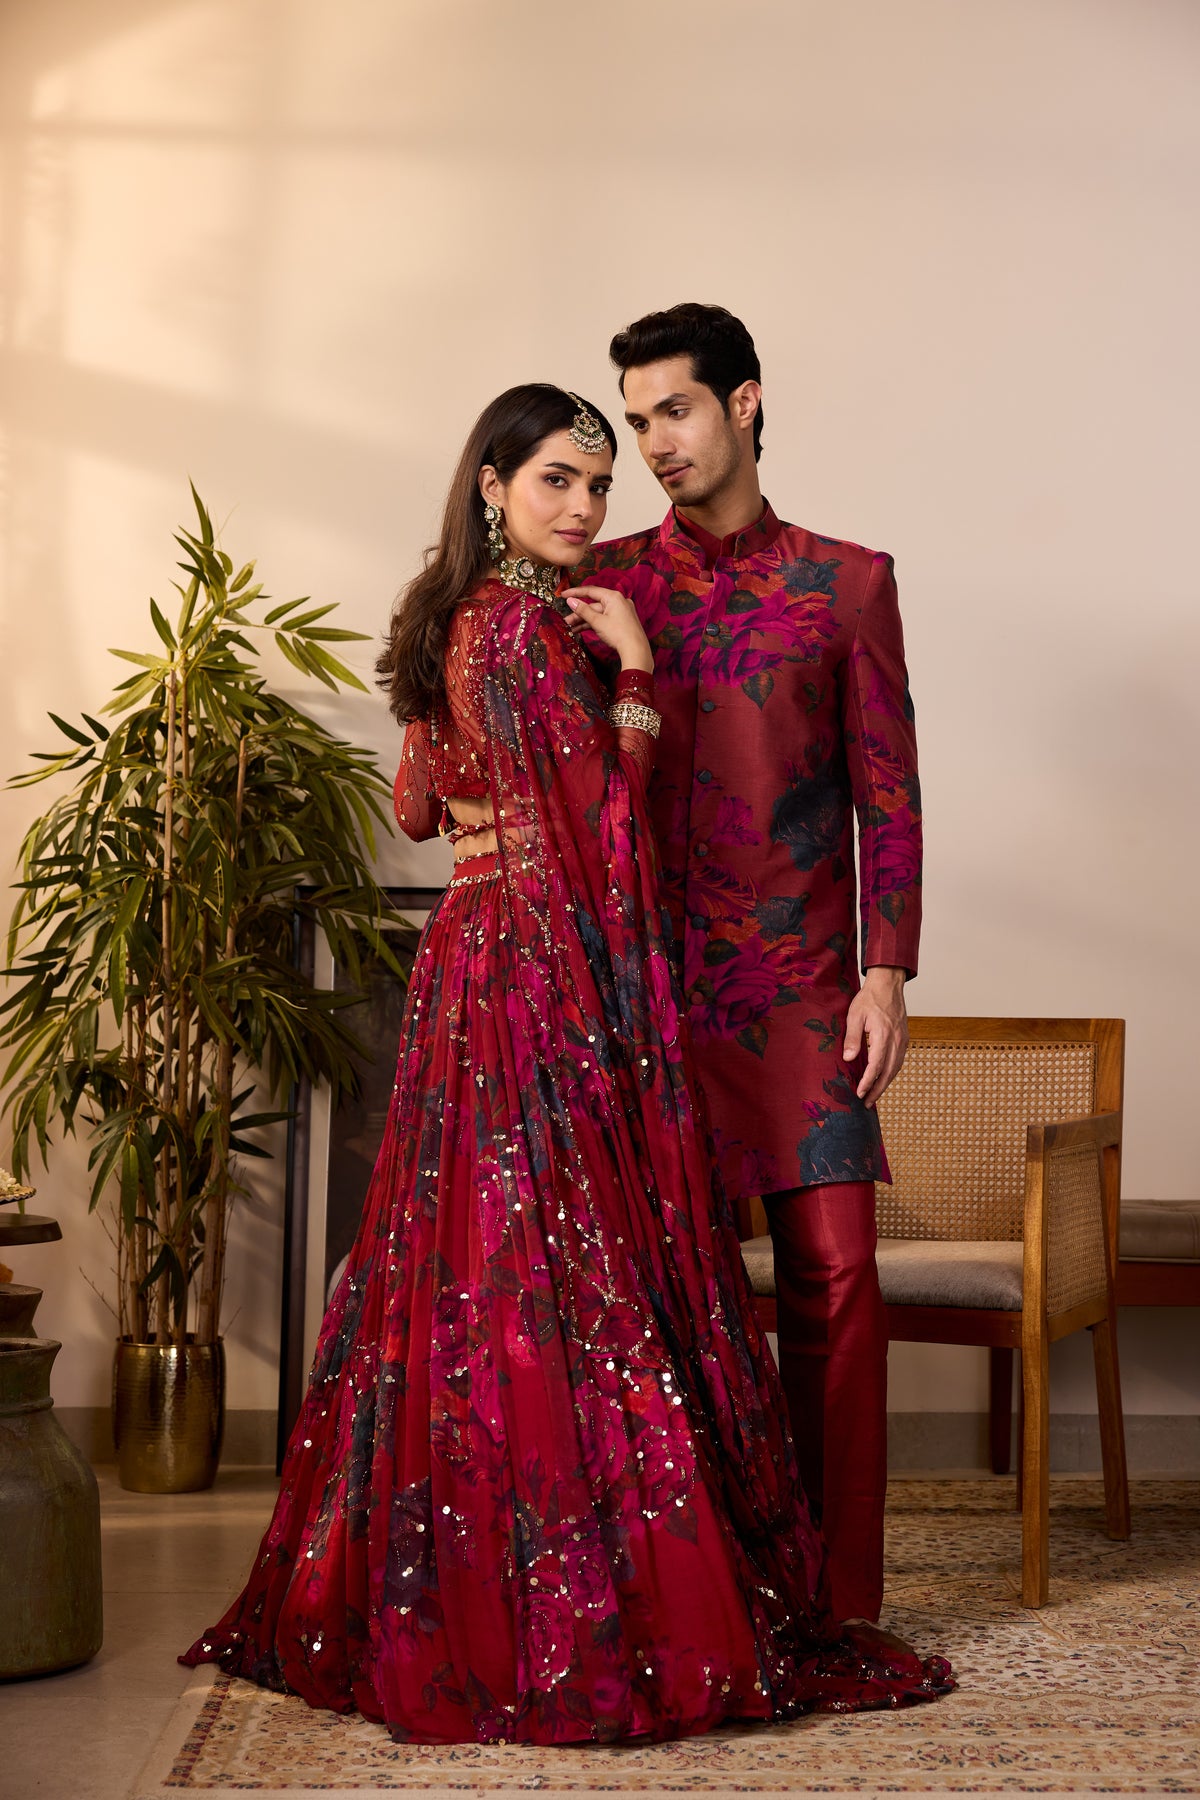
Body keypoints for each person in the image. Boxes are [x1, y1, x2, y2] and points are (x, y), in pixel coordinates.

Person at [181, 383, 951, 1742]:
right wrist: (638, 677)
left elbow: (422, 806)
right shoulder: (547, 628)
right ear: (491, 485)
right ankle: (570, 1602)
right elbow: (603, 828)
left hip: (475, 961)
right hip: (544, 970)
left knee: (479, 1270)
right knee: (573, 1281)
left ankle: (470, 1584)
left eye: (600, 483)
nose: (590, 505)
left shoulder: (453, 616)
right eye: (559, 479)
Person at [568, 306, 921, 1625]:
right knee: (665, 1299)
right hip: (644, 994)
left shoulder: (848, 584)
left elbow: (889, 793)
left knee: (835, 1278)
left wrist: (886, 972)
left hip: (800, 992)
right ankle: (694, 1592)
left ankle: (837, 1600)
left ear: (746, 403)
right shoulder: (601, 584)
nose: (656, 441)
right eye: (638, 419)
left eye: (677, 409)